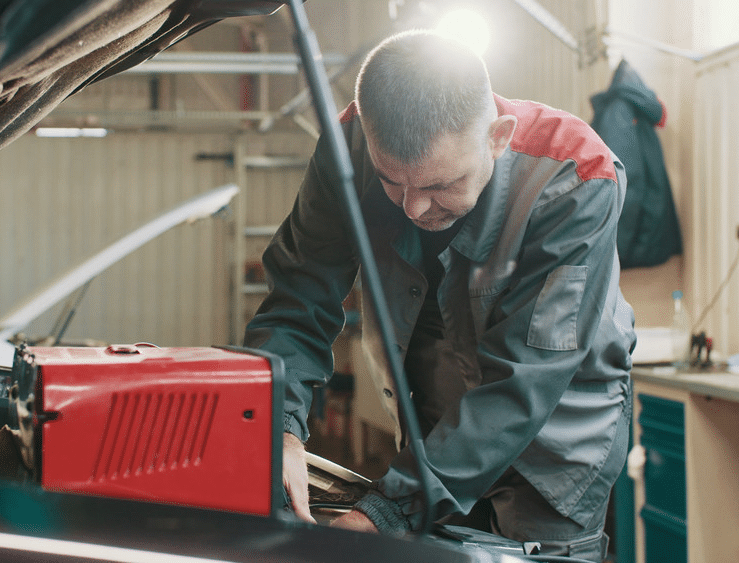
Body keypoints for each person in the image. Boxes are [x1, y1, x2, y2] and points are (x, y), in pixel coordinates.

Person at [243, 30, 635, 562]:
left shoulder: (573, 178)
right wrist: (278, 428)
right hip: (430, 432)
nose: (413, 209)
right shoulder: (349, 149)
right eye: (391, 181)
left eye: (440, 185)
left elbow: (523, 382)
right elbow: (298, 296)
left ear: (498, 137)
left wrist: (387, 511)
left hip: (550, 446)